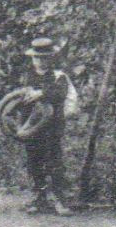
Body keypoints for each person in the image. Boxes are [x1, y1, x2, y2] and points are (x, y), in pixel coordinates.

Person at [14, 36, 79, 215]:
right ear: (32, 58)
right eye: (37, 57)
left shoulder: (59, 76)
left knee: (54, 161)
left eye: (44, 57)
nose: (40, 61)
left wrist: (41, 93)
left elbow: (60, 94)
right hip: (31, 126)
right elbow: (15, 99)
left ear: (51, 58)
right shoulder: (26, 76)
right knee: (34, 161)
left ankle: (59, 199)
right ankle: (39, 198)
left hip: (52, 126)